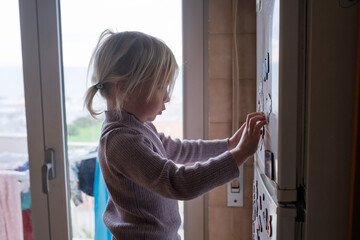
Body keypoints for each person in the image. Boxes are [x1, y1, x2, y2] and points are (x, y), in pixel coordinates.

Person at [84, 29, 266, 240]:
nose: (167, 97)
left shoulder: (137, 128)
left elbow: (178, 149)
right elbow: (178, 183)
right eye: (160, 86)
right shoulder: (121, 141)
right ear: (125, 89)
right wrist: (240, 154)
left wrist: (229, 144)